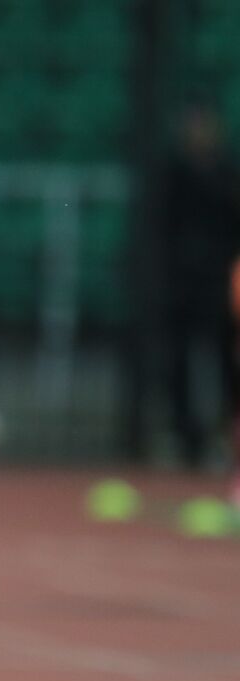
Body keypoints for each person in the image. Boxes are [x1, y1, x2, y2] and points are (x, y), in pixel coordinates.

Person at [159, 99, 240, 469]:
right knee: (177, 361)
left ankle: (226, 437)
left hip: (220, 282)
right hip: (181, 283)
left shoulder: (227, 172)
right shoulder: (174, 172)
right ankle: (184, 436)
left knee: (227, 363)